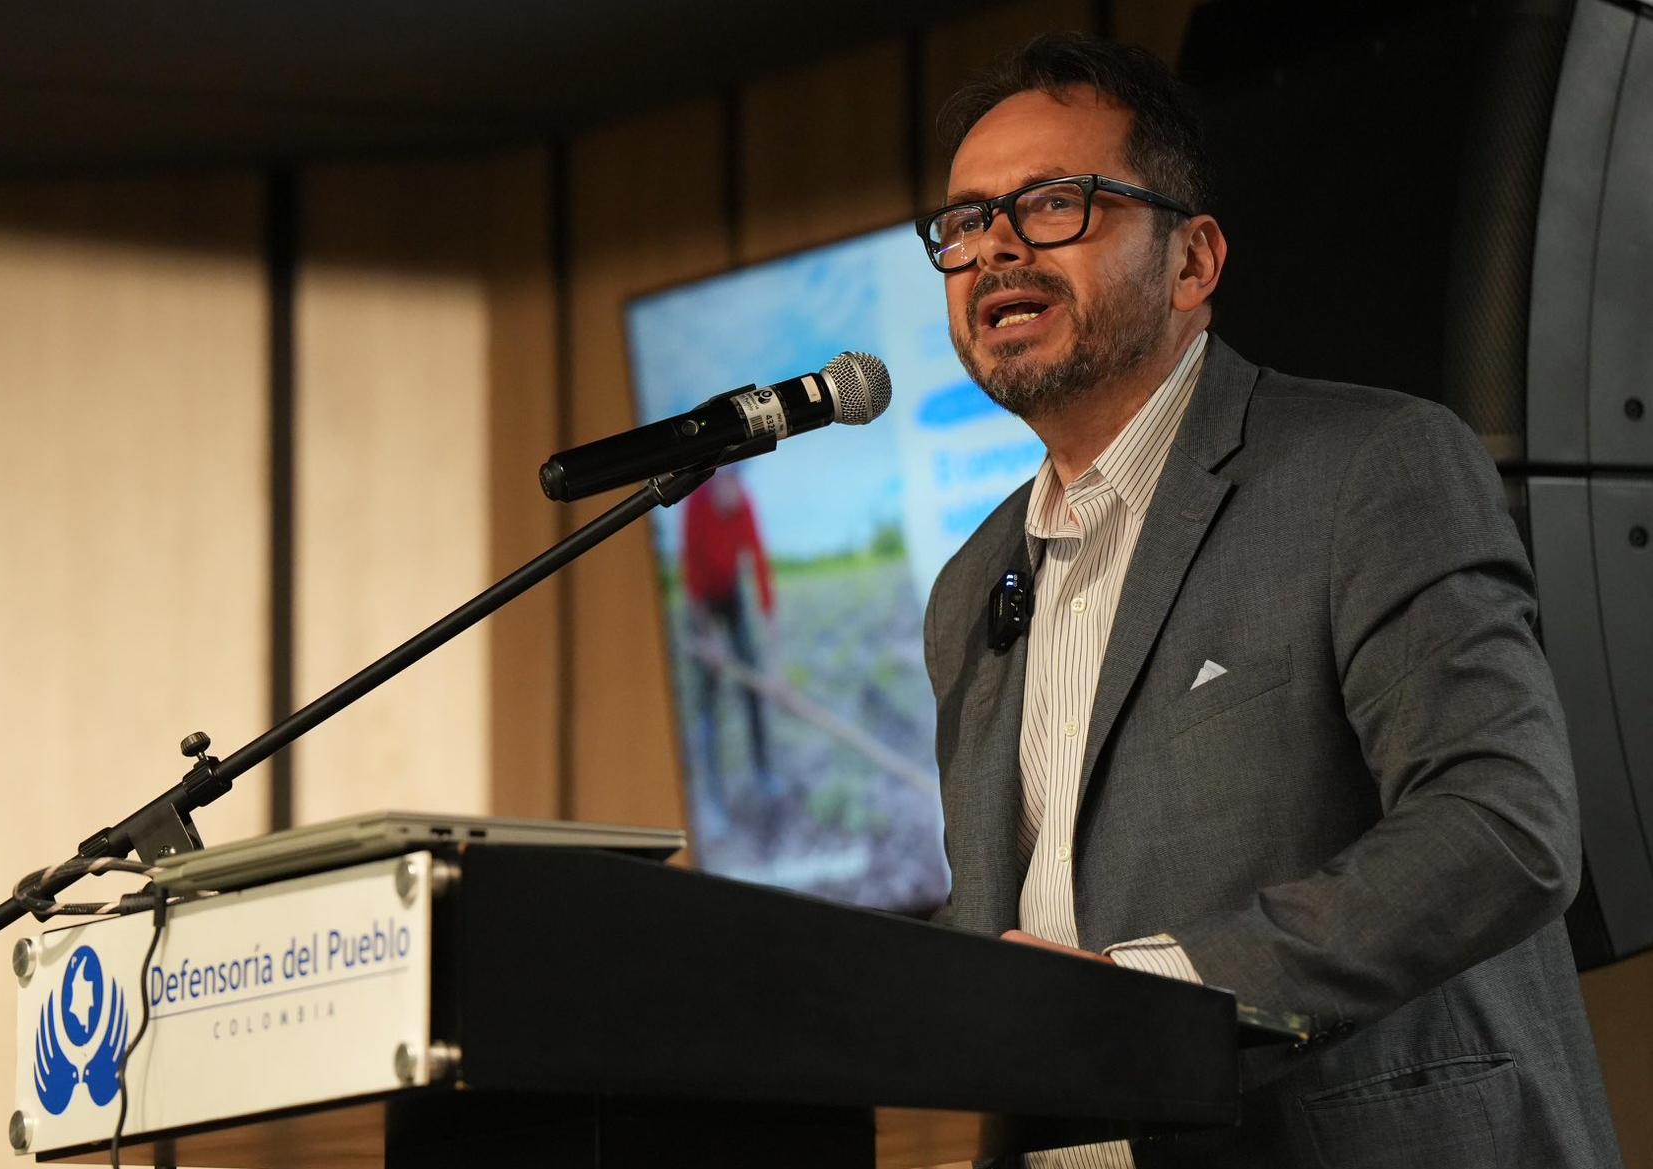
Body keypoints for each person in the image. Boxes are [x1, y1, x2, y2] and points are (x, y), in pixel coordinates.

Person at [918, 32, 1621, 1168]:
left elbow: (1505, 826)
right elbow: (1014, 920)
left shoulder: (1372, 466)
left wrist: (1158, 992)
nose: (994, 246)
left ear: (1193, 261)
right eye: (963, 222)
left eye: (1054, 204)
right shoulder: (971, 584)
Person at [682, 467, 777, 806]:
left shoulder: (744, 505)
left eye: (739, 484)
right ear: (717, 482)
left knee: (751, 685)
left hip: (731, 596)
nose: (734, 493)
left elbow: (760, 565)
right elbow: (691, 576)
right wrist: (708, 639)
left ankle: (763, 773)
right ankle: (713, 798)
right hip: (702, 603)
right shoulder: (695, 506)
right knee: (707, 699)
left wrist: (770, 635)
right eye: (728, 484)